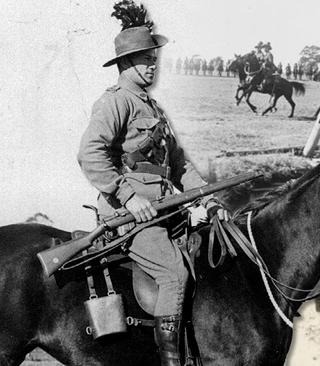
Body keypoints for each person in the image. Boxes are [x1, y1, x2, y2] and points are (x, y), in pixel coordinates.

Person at [77, 8, 224, 365]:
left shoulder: (154, 109)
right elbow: (89, 153)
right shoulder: (116, 102)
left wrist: (208, 198)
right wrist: (127, 198)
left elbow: (178, 164)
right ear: (125, 63)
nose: (152, 66)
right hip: (129, 215)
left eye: (154, 59)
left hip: (162, 211)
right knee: (174, 272)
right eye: (145, 59)